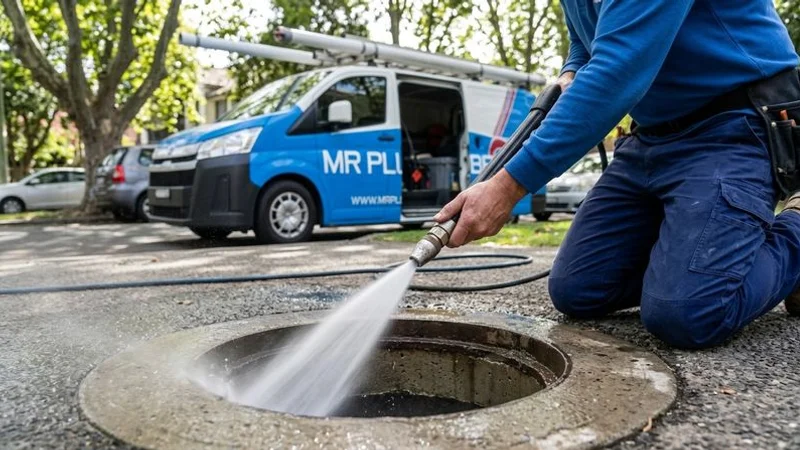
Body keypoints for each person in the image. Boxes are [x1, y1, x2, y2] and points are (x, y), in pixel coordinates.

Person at [434, 0, 800, 349]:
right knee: (578, 290)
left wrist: (507, 187)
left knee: (687, 313)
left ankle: (793, 232)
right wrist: (571, 71)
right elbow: (585, 41)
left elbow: (617, 69)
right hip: (652, 135)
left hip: (732, 124)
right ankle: (697, 259)